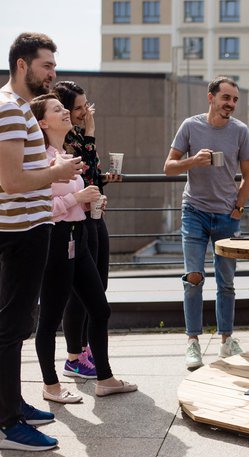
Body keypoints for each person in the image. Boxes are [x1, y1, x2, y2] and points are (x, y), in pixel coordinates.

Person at [0, 32, 83, 452]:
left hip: (26, 231)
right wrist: (59, 172)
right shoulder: (11, 110)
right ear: (22, 65)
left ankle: (11, 403)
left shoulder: (17, 111)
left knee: (17, 326)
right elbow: (11, 182)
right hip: (18, 234)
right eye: (47, 65)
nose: (53, 73)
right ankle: (7, 423)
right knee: (11, 327)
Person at [31, 93, 138, 405]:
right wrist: (75, 200)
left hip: (78, 237)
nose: (65, 112)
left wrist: (89, 199)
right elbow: (40, 207)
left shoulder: (65, 153)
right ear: (42, 121)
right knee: (50, 317)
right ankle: (50, 386)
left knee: (100, 308)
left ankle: (104, 379)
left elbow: (72, 197)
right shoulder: (41, 159)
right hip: (57, 240)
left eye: (64, 108)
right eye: (57, 109)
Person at [164, 76, 249, 369]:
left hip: (227, 216)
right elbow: (168, 168)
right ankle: (193, 342)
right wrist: (193, 162)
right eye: (226, 97)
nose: (231, 104)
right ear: (211, 97)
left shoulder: (240, 131)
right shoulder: (191, 126)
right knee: (193, 277)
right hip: (195, 212)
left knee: (226, 283)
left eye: (235, 99)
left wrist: (238, 208)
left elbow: (248, 177)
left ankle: (226, 341)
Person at [52, 80, 121, 379]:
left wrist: (104, 177)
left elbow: (91, 179)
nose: (84, 112)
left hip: (93, 216)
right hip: (73, 222)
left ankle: (86, 350)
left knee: (97, 287)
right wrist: (90, 133)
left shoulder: (78, 136)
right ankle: (74, 356)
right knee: (78, 293)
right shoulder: (65, 141)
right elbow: (82, 173)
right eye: (78, 108)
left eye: (85, 106)